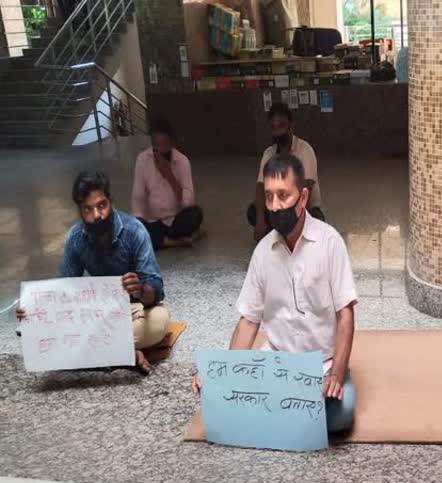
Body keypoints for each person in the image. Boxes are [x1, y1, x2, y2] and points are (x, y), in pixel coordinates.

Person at [197, 153, 357, 433]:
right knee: (224, 396)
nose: (275, 205)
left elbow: (345, 314)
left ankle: (280, 409)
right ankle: (284, 408)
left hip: (321, 365)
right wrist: (225, 372)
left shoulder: (330, 242)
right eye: (269, 197)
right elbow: (249, 320)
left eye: (283, 195)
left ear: (303, 197)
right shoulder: (262, 253)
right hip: (276, 362)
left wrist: (336, 374)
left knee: (341, 415)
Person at [17, 171, 170, 374]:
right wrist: (34, 310)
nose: (97, 215)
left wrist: (141, 290)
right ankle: (119, 352)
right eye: (88, 209)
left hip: (133, 311)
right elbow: (64, 290)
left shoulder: (135, 231)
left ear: (111, 202)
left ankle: (98, 351)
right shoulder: (75, 238)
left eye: (101, 205)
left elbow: (157, 289)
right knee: (29, 330)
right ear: (79, 211)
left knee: (159, 321)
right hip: (95, 315)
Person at [248, 103, 324, 243]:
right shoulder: (268, 153)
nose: (278, 132)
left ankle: (282, 231)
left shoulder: (305, 150)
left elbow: (305, 189)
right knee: (253, 211)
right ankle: (278, 230)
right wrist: (260, 221)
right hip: (277, 208)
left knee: (315, 220)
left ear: (291, 125)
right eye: (274, 128)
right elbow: (260, 187)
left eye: (282, 126)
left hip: (303, 208)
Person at [132, 119, 204, 250]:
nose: (160, 150)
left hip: (175, 220)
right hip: (153, 221)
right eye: (156, 145)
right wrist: (139, 223)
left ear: (172, 143)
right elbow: (138, 199)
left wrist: (169, 175)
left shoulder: (182, 161)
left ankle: (164, 240)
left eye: (164, 144)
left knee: (195, 214)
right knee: (135, 232)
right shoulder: (143, 160)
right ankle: (176, 242)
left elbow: (188, 203)